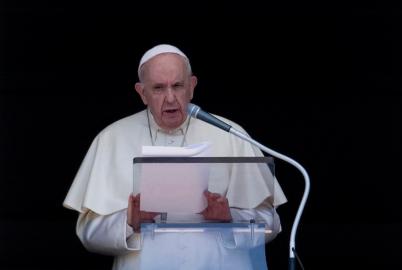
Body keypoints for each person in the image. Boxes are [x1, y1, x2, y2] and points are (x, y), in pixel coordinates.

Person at [63, 44, 287, 270]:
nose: (170, 98)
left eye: (178, 86)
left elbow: (272, 224)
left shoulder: (231, 134)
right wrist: (130, 221)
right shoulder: (112, 138)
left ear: (191, 87)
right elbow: (87, 234)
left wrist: (230, 217)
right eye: (158, 88)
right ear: (142, 93)